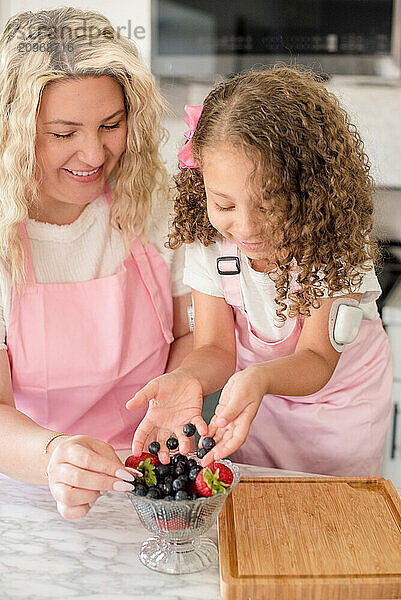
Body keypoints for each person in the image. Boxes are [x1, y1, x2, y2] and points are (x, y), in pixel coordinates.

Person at [127, 67, 393, 477]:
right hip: (258, 401)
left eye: (269, 204)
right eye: (226, 205)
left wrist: (258, 379)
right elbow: (216, 349)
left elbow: (317, 358)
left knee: (331, 515)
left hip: (340, 409)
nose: (248, 228)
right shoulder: (208, 242)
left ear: (310, 188)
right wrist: (187, 378)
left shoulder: (333, 242)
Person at [0, 7, 192, 519]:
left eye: (111, 124)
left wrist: (178, 393)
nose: (93, 154)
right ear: (13, 131)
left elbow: (193, 335)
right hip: (37, 488)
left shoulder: (152, 202)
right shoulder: (4, 239)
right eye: (63, 133)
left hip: (157, 476)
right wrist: (53, 457)